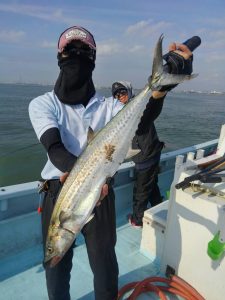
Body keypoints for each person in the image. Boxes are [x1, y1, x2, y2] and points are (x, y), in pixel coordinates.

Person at [28, 25, 193, 300]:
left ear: (93, 59)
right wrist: (90, 177)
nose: (76, 55)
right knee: (56, 271)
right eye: (70, 50)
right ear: (60, 56)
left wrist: (163, 86)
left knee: (105, 265)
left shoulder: (110, 107)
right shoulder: (43, 104)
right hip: (58, 193)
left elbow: (143, 118)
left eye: (84, 51)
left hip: (101, 191)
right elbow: (54, 148)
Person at [111, 81, 164, 228]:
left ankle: (137, 220)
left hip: (145, 156)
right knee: (150, 184)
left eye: (122, 92)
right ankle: (157, 205)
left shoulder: (140, 106)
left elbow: (153, 107)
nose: (119, 96)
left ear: (129, 91)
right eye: (116, 95)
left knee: (140, 191)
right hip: (149, 154)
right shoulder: (122, 111)